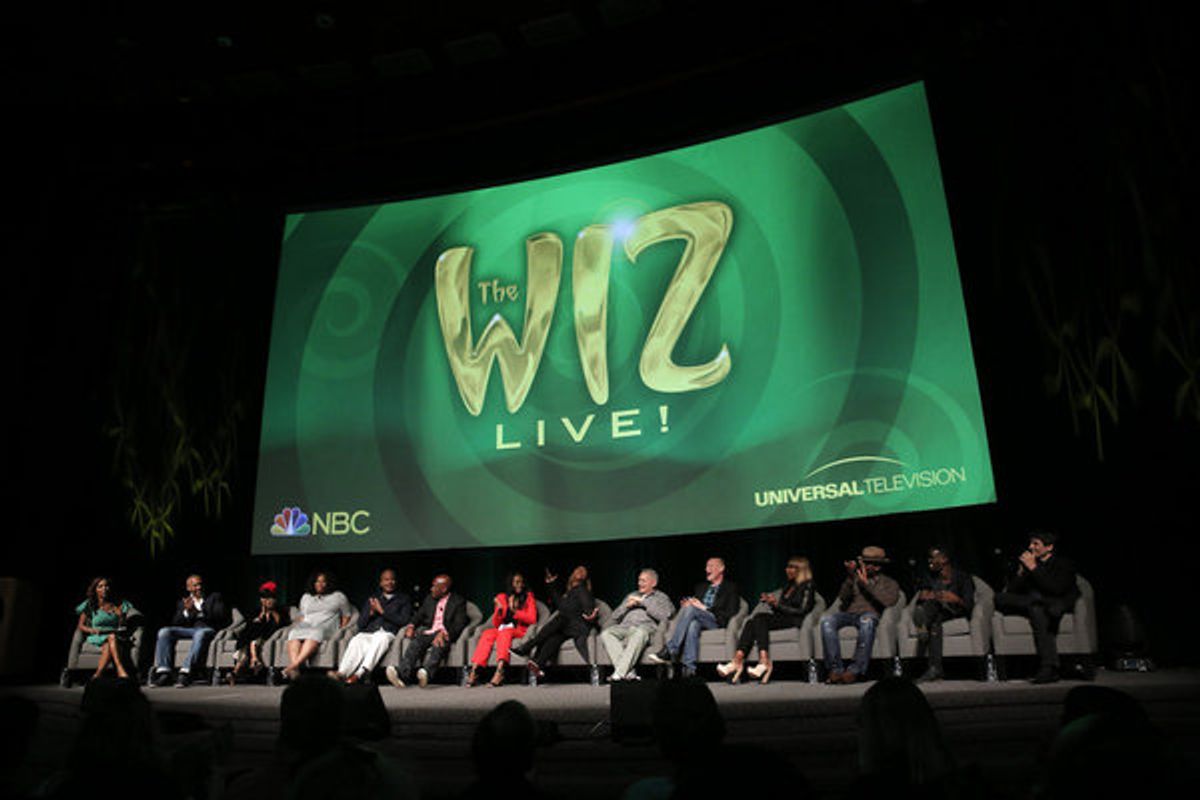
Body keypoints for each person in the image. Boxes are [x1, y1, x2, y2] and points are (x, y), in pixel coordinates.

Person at [994, 530, 1080, 683]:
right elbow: (1012, 591)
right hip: (1037, 602)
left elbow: (1056, 589)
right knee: (1000, 598)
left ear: (1049, 547)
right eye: (1031, 543)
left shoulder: (1063, 564)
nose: (1031, 547)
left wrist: (1034, 568)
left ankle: (1049, 668)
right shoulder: (1030, 563)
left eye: (1036, 544)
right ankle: (1050, 668)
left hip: (1058, 602)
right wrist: (1021, 572)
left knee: (1037, 608)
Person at [719, 556, 816, 684]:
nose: (787, 570)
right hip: (783, 617)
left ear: (801, 569)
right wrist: (771, 603)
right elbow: (780, 609)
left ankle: (761, 662)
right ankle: (738, 660)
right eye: (787, 567)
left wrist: (776, 604)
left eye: (791, 567)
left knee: (759, 618)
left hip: (795, 620)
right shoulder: (788, 586)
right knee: (751, 622)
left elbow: (803, 610)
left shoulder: (808, 585)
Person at [820, 546, 901, 684]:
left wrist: (867, 586)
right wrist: (851, 578)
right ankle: (835, 669)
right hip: (849, 614)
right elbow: (843, 597)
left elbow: (888, 601)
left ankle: (854, 670)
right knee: (827, 620)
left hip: (870, 614)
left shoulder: (890, 583)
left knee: (867, 621)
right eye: (865, 562)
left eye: (870, 563)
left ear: (878, 567)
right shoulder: (855, 578)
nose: (866, 566)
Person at [648, 557, 739, 678]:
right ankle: (689, 669)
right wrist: (688, 605)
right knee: (692, 625)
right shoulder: (701, 587)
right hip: (700, 619)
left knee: (691, 611)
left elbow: (731, 612)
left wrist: (703, 608)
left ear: (721, 568)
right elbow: (695, 608)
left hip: (716, 621)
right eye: (706, 566)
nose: (707, 569)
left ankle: (670, 649)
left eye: (711, 566)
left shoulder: (730, 587)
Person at [510, 565, 599, 682]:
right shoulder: (571, 593)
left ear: (586, 578)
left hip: (579, 626)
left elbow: (588, 607)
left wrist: (591, 615)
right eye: (577, 570)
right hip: (568, 627)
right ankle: (538, 663)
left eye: (583, 571)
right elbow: (561, 605)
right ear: (572, 577)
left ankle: (528, 646)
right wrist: (551, 585)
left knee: (560, 618)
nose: (580, 571)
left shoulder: (582, 590)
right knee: (554, 637)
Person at [330, 568, 412, 684]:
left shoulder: (403, 599)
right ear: (381, 583)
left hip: (387, 633)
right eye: (386, 580)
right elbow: (360, 624)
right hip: (369, 632)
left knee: (381, 639)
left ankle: (360, 674)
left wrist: (382, 612)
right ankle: (342, 673)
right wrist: (370, 613)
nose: (390, 582)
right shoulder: (373, 598)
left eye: (392, 580)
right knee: (357, 640)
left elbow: (404, 620)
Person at [385, 573, 467, 688]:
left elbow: (460, 624)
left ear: (443, 589)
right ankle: (402, 675)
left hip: (445, 634)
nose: (431, 589)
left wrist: (444, 633)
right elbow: (419, 615)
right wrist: (411, 625)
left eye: (434, 586)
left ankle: (427, 673)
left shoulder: (458, 601)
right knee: (416, 643)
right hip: (430, 631)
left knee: (439, 645)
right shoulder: (429, 598)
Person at [151, 573, 228, 687]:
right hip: (189, 630)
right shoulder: (184, 602)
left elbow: (220, 615)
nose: (199, 588)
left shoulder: (214, 597)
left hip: (207, 629)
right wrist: (186, 612)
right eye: (195, 585)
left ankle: (186, 672)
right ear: (189, 588)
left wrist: (200, 607)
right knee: (164, 632)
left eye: (200, 585)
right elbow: (176, 622)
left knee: (200, 634)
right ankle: (164, 672)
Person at [912, 546, 975, 682]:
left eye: (933, 557)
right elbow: (922, 597)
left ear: (945, 559)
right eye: (928, 558)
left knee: (929, 610)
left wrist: (955, 599)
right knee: (934, 622)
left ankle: (922, 626)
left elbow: (969, 605)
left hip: (955, 611)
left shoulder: (963, 578)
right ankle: (935, 669)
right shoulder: (930, 577)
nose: (930, 561)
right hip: (938, 612)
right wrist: (932, 595)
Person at [601, 568, 674, 682]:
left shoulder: (661, 597)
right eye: (639, 580)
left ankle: (620, 673)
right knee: (606, 633)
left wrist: (643, 602)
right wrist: (626, 606)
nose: (639, 583)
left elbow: (666, 615)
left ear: (653, 583)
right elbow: (614, 616)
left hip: (645, 628)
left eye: (643, 581)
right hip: (625, 627)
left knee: (639, 632)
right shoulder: (632, 595)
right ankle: (628, 672)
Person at [467, 572, 537, 687]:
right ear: (511, 584)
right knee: (487, 633)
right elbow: (496, 623)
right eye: (517, 582)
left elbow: (532, 619)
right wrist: (499, 610)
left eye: (521, 582)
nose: (520, 585)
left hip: (519, 630)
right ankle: (475, 671)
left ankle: (500, 671)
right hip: (503, 628)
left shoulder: (528, 597)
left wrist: (514, 611)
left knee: (505, 633)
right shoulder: (502, 597)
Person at [283, 571, 354, 681]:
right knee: (293, 633)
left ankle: (293, 665)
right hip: (307, 624)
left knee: (316, 632)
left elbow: (347, 615)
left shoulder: (338, 596)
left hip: (326, 626)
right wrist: (301, 624)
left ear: (328, 583)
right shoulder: (306, 597)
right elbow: (302, 615)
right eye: (317, 581)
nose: (320, 584)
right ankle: (295, 668)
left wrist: (341, 629)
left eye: (323, 582)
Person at [75, 576, 134, 680]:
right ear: (95, 590)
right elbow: (81, 625)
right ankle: (120, 669)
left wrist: (121, 616)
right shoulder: (90, 605)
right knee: (110, 638)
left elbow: (123, 626)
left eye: (106, 586)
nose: (104, 588)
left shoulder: (119, 604)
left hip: (115, 635)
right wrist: (92, 630)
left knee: (110, 640)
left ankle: (97, 676)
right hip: (97, 635)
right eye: (100, 586)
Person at [228, 580, 284, 685]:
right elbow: (248, 625)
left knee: (253, 635)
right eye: (264, 598)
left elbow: (279, 624)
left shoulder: (280, 611)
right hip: (252, 638)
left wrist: (270, 613)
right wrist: (261, 615)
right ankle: (254, 661)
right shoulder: (256, 611)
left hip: (266, 637)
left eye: (269, 598)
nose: (267, 601)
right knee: (253, 630)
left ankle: (236, 671)